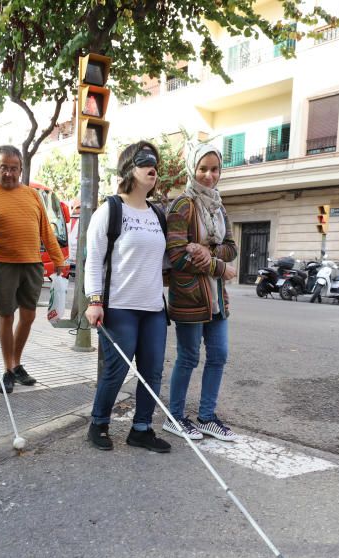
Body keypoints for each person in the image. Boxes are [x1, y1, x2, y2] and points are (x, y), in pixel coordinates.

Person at [82, 141, 170, 453]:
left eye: (155, 162)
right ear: (128, 169)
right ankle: (99, 423)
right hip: (119, 307)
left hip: (154, 308)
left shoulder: (158, 214)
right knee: (117, 370)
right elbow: (93, 260)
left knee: (153, 370)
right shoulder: (110, 210)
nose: (153, 168)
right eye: (145, 160)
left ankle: (142, 429)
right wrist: (94, 302)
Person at [0, 145, 65, 394]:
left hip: (32, 264)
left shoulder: (33, 195)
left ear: (21, 169)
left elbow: (46, 230)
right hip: (3, 265)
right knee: (6, 317)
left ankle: (17, 363)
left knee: (29, 317)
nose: (9, 173)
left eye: (14, 168)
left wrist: (59, 261)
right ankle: (8, 369)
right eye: (4, 168)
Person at [164, 143, 239, 442]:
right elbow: (177, 256)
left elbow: (231, 249)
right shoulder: (183, 205)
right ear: (192, 170)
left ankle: (207, 417)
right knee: (188, 357)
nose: (209, 175)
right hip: (190, 297)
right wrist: (218, 268)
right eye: (203, 169)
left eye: (215, 169)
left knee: (219, 355)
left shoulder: (219, 207)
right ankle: (175, 416)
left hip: (217, 299)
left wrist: (207, 251)